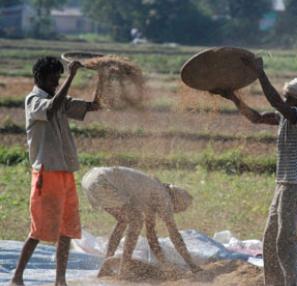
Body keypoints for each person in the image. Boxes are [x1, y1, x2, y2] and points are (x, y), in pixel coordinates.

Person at [211, 56, 297, 286]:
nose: (283, 99)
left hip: (294, 186)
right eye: (284, 96)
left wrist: (260, 73)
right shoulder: (286, 117)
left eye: (287, 97)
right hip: (283, 185)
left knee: (286, 240)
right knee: (269, 239)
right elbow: (256, 118)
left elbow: (275, 102)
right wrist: (234, 98)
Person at [9, 56, 100, 286]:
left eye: (59, 79)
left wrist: (103, 77)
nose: (56, 83)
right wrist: (72, 75)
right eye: (53, 79)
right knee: (39, 229)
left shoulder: (57, 99)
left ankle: (61, 280)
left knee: (67, 228)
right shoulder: (34, 101)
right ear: (39, 78)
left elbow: (93, 106)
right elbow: (51, 109)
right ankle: (17, 277)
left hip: (65, 172)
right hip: (46, 173)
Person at [81, 166, 202, 278]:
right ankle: (124, 267)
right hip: (103, 182)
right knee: (137, 220)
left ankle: (107, 261)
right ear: (175, 202)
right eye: (177, 210)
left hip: (90, 179)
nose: (173, 213)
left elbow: (152, 238)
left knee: (123, 220)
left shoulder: (153, 191)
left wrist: (165, 265)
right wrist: (192, 265)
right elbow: (175, 236)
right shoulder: (164, 197)